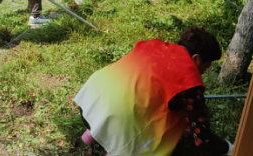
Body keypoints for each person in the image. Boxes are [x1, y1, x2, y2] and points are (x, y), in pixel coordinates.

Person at [75, 27, 233, 156]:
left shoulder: (152, 45)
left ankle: (90, 135)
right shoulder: (189, 80)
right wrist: (227, 148)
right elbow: (201, 131)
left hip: (88, 104)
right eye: (207, 65)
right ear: (196, 58)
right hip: (117, 126)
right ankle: (120, 150)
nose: (205, 71)